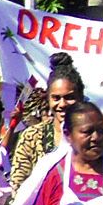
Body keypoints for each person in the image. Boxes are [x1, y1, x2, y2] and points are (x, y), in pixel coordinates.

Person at [8, 54, 82, 195]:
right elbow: (18, 185)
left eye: (69, 97)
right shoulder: (32, 136)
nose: (62, 104)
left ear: (81, 97)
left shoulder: (94, 135)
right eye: (56, 98)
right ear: (48, 99)